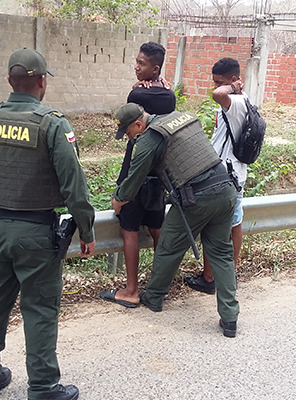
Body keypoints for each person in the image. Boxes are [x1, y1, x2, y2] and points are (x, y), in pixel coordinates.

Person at [0, 48, 96, 400]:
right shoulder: (53, 124)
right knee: (40, 309)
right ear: (42, 81)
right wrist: (86, 229)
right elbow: (74, 185)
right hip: (37, 235)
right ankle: (44, 387)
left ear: (9, 81)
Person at [111, 102, 240, 337]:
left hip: (197, 198)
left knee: (168, 247)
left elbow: (133, 180)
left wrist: (119, 199)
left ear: (138, 124)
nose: (129, 138)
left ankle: (154, 297)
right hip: (226, 190)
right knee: (221, 253)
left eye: (128, 133)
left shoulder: (150, 138)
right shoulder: (181, 117)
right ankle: (230, 317)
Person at [99, 42, 176, 308]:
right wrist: (157, 84)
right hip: (159, 175)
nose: (136, 67)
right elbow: (165, 100)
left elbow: (133, 105)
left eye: (141, 63)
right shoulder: (169, 96)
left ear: (155, 68)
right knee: (157, 229)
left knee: (129, 230)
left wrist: (137, 89)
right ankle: (161, 287)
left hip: (135, 171)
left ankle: (131, 290)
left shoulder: (136, 96)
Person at [184, 57, 248, 296]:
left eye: (219, 82)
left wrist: (231, 87)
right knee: (232, 223)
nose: (215, 87)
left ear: (234, 79)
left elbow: (218, 94)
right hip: (232, 173)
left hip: (227, 175)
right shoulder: (237, 101)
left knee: (220, 227)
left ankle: (216, 277)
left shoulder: (236, 101)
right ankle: (217, 275)